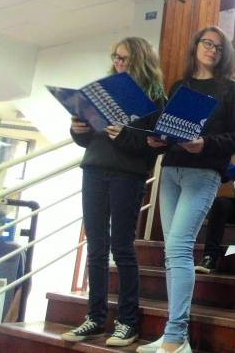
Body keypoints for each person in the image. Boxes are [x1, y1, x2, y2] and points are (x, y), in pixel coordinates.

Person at [137, 26, 235, 353]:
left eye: (218, 46)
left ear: (224, 54)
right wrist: (158, 140)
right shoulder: (180, 86)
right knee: (170, 254)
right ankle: (172, 335)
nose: (211, 49)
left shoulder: (230, 89)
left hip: (204, 172)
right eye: (206, 43)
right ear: (196, 46)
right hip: (171, 169)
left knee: (179, 248)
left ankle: (176, 337)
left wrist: (206, 144)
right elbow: (170, 128)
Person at [61, 36, 166, 347]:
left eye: (124, 58)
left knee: (121, 248)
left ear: (140, 61)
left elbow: (154, 147)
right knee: (95, 247)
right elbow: (88, 139)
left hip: (127, 175)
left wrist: (123, 136)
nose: (118, 63)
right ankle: (95, 318)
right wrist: (77, 130)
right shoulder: (103, 91)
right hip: (94, 168)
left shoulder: (155, 98)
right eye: (115, 57)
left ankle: (127, 321)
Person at [195, 149, 235, 274]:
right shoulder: (234, 146)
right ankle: (210, 257)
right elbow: (220, 167)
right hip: (234, 202)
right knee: (220, 203)